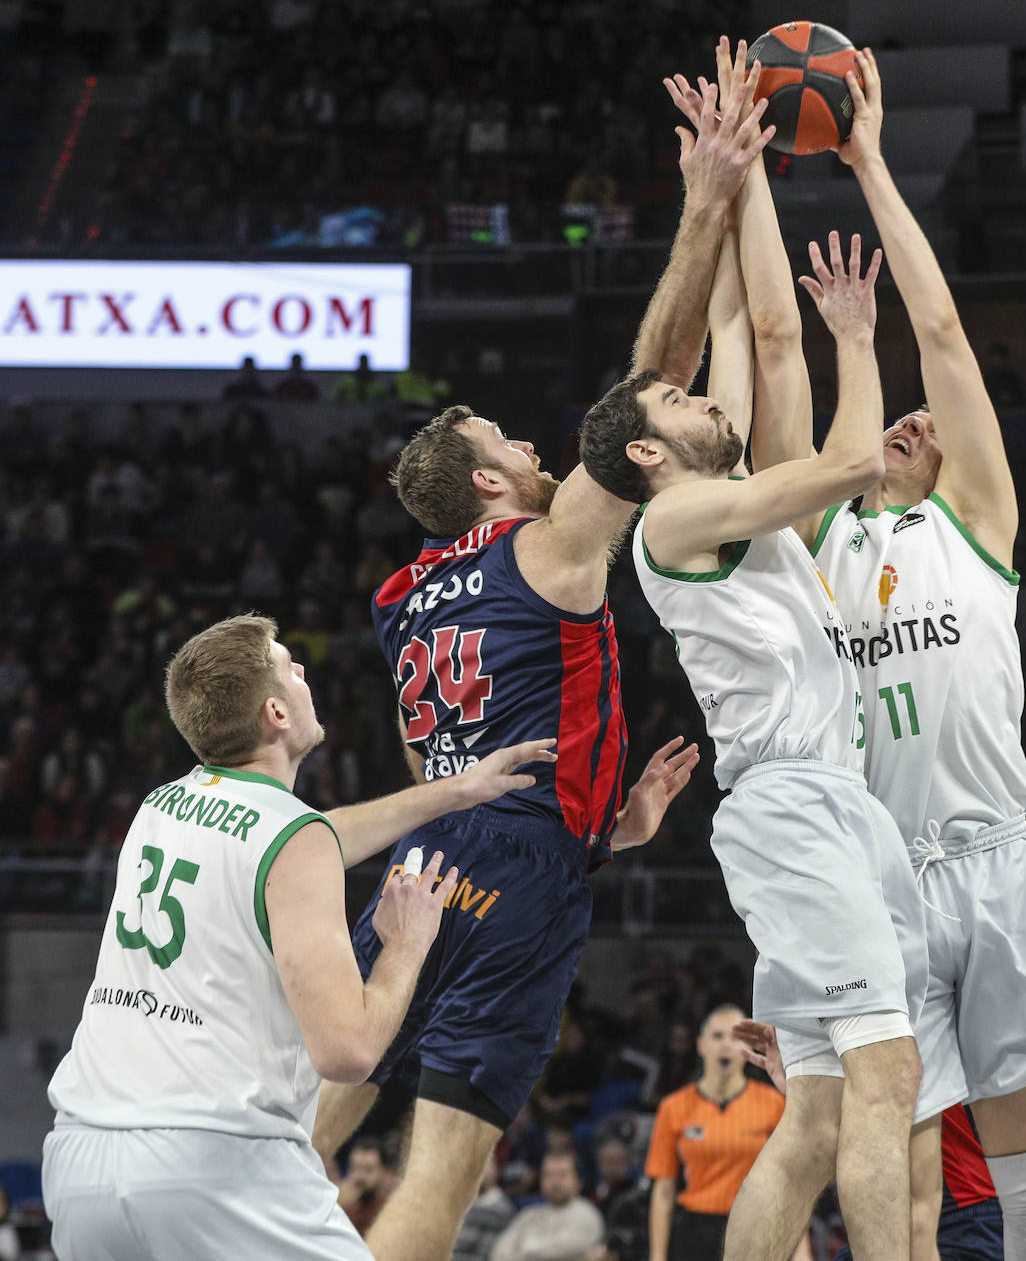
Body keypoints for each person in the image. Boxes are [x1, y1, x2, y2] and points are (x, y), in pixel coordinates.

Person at [309, 63, 775, 1261]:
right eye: (507, 442)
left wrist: (597, 825)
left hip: (424, 852)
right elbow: (640, 412)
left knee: (309, 1131)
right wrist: (707, 200)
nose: (531, 442)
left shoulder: (398, 595)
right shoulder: (545, 538)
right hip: (516, 872)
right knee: (443, 1173)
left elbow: (441, 761)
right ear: (487, 486)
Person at [578, 60, 928, 1256]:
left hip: (835, 800)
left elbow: (743, 322)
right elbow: (845, 466)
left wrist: (735, 177)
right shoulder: (675, 521)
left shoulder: (705, 480)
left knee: (825, 1115)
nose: (697, 400)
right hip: (789, 809)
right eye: (674, 403)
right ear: (645, 453)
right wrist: (859, 339)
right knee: (885, 1076)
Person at [749, 45, 1026, 1261]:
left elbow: (939, 329)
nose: (910, 416)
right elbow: (782, 385)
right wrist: (754, 199)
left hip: (993, 863)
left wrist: (870, 162)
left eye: (927, 422)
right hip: (874, 883)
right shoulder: (820, 538)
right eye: (891, 413)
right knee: (884, 1176)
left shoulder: (977, 528)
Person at [41, 612, 557, 1261]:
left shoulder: (161, 805)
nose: (304, 671)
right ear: (276, 715)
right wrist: (405, 945)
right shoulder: (292, 837)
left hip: (81, 1160)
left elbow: (307, 839)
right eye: (290, 665)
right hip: (213, 1163)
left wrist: (455, 792)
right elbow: (349, 1054)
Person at [734, 1018, 1004, 1260]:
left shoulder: (924, 1007)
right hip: (882, 1220)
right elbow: (859, 1141)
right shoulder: (854, 1039)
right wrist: (806, 1093)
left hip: (964, 1218)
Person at [645, 1005, 792, 1261]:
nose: (726, 1045)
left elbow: (788, 1185)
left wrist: (799, 1250)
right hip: (695, 1232)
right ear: (701, 1046)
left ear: (748, 1048)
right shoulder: (673, 1107)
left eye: (736, 1037)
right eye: (717, 1036)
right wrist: (657, 1256)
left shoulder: (773, 1103)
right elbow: (664, 1190)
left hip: (754, 1228)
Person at [489, 1150, 605, 1261]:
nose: (555, 1182)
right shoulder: (529, 1215)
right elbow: (499, 1253)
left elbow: (564, 1251)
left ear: (578, 1181)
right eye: (548, 1175)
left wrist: (524, 1249)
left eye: (562, 1175)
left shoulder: (586, 1214)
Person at [452, 1154, 516, 1261]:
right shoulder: (457, 1204)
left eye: (486, 1164)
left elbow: (484, 1256)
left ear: (496, 1170)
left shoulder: (501, 1210)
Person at [337, 1137, 390, 1237]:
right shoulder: (341, 1207)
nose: (359, 1176)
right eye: (354, 1168)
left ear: (385, 1173)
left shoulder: (389, 1211)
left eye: (368, 1169)